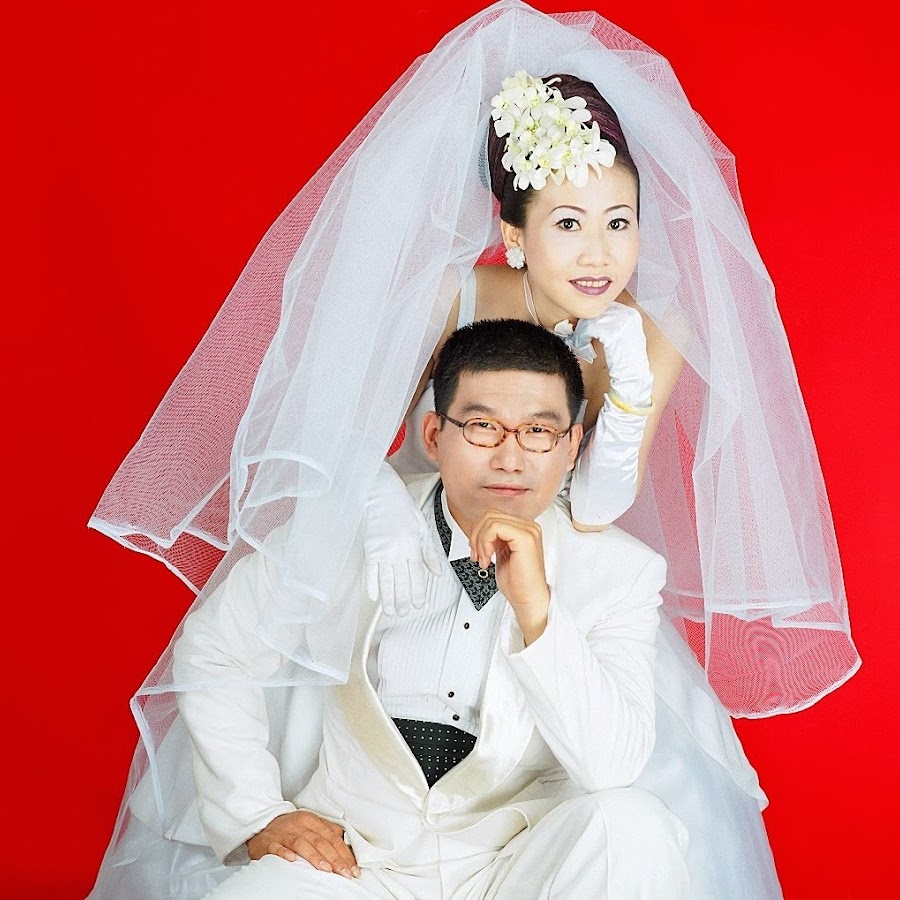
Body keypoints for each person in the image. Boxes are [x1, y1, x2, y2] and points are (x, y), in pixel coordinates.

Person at [88, 1, 851, 896]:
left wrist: (628, 391)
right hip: (406, 541)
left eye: (620, 222)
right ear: (515, 233)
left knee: (625, 805)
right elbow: (352, 437)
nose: (600, 252)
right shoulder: (452, 296)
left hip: (553, 558)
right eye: (569, 223)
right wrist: (384, 526)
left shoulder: (651, 331)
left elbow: (598, 504)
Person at [173, 319, 692, 898]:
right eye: (482, 427)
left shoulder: (622, 573)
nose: (510, 458)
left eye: (538, 432)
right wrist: (256, 814)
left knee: (635, 827)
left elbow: (612, 767)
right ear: (434, 434)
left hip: (514, 867)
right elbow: (216, 649)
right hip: (354, 858)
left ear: (571, 447)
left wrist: (536, 609)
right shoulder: (352, 532)